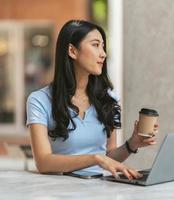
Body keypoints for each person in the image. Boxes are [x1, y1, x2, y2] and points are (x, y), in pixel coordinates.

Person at [26, 20, 159, 180]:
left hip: (100, 189)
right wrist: (95, 158)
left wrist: (132, 143)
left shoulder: (108, 98)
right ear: (72, 51)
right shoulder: (39, 101)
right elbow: (43, 162)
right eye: (95, 45)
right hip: (60, 190)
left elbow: (110, 156)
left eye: (103, 46)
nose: (103, 53)